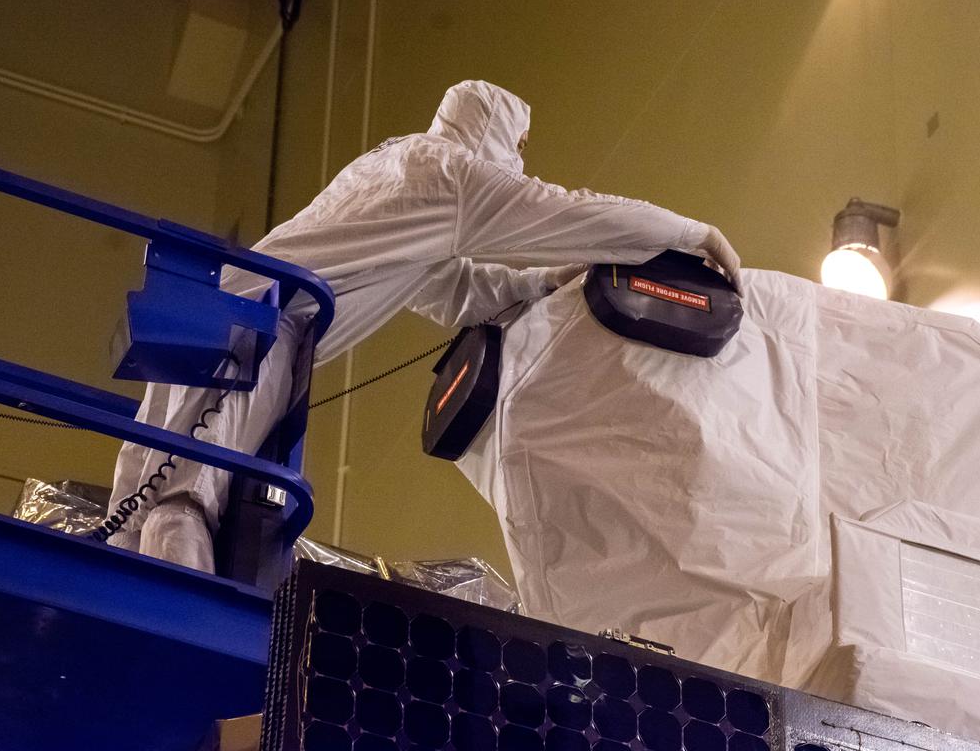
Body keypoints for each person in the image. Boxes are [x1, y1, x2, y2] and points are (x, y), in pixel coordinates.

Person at [107, 79, 741, 571]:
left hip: (243, 324)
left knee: (153, 498)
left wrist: (544, 285)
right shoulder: (448, 174)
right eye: (518, 147)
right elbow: (564, 211)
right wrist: (691, 232)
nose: (518, 164)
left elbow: (452, 288)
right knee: (178, 500)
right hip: (255, 328)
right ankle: (172, 629)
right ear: (491, 132)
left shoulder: (401, 175)